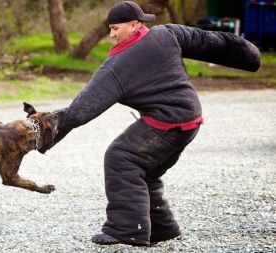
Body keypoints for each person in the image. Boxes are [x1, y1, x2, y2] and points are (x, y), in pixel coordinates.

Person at [44, 0, 261, 247]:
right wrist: (249, 55)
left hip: (166, 122)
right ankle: (162, 227)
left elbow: (81, 110)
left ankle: (127, 229)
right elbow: (208, 42)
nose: (112, 34)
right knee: (148, 169)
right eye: (110, 29)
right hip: (191, 117)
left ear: (135, 24)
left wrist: (43, 135)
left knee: (121, 158)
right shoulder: (167, 34)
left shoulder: (118, 65)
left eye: (116, 28)